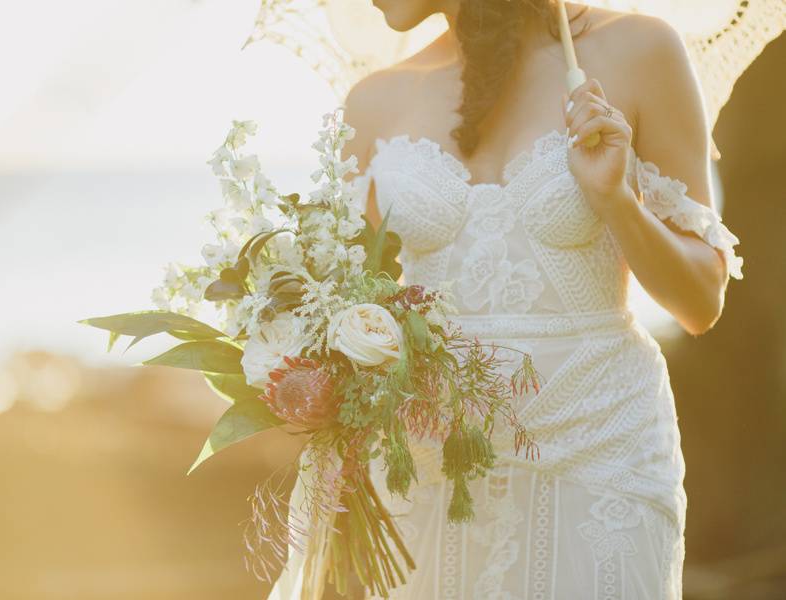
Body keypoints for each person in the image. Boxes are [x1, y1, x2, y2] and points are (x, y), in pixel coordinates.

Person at [268, 1, 742, 598]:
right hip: (436, 470)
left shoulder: (638, 51)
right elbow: (349, 310)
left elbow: (701, 301)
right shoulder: (371, 104)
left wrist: (617, 199)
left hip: (600, 455)